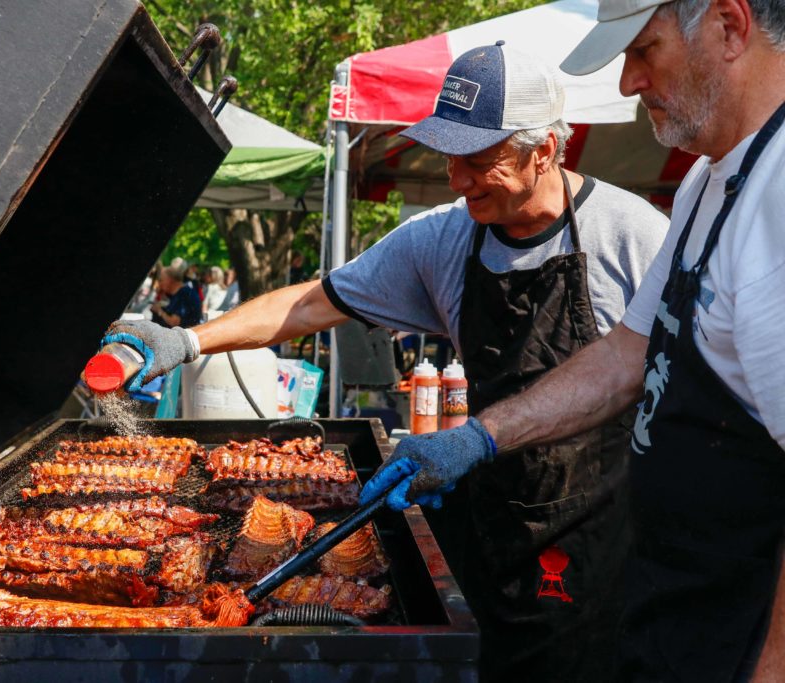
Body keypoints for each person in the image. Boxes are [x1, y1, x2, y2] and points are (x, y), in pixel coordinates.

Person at [96, 43, 669, 682]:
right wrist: (190, 341)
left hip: (602, 529)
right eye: (451, 159)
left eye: (479, 161)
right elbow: (314, 304)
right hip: (491, 517)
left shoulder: (635, 237)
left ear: (545, 150)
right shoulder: (445, 238)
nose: (457, 180)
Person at [359, 1, 785, 680]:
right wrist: (479, 437)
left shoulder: (779, 195)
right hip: (669, 618)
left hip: (738, 645)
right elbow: (624, 354)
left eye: (644, 51)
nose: (627, 83)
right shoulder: (709, 184)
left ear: (730, 27)